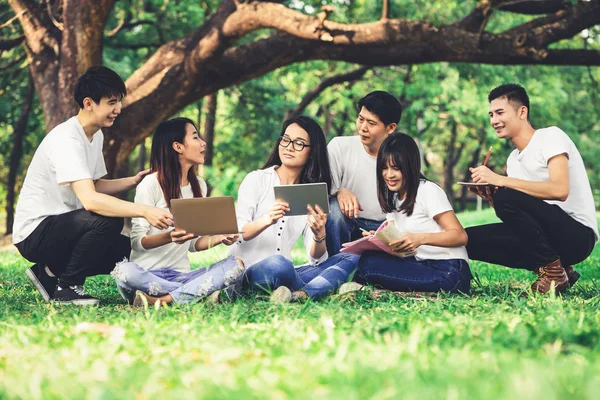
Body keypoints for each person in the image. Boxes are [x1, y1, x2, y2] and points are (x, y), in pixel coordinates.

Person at [13, 66, 173, 306]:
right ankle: (67, 288)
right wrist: (144, 210)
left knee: (123, 250)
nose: (118, 109)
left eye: (119, 101)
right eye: (111, 102)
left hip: (63, 227)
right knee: (108, 219)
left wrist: (133, 180)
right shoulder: (68, 139)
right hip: (36, 232)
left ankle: (48, 272)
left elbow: (94, 185)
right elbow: (91, 200)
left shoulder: (94, 135)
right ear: (88, 103)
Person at [466, 83, 598, 295]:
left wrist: (501, 181)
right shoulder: (513, 160)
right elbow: (523, 219)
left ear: (522, 111)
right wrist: (492, 196)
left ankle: (553, 273)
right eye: (491, 114)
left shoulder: (550, 137)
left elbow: (560, 190)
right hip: (548, 236)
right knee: (466, 239)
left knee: (506, 195)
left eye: (500, 112)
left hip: (577, 236)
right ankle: (562, 270)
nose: (494, 121)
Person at [222, 116, 358, 303]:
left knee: (351, 259)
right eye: (285, 139)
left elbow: (316, 259)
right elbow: (236, 233)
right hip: (249, 271)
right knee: (279, 263)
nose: (289, 147)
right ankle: (318, 287)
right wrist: (267, 219)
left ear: (312, 152)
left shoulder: (311, 193)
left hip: (287, 273)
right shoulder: (257, 179)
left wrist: (319, 234)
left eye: (299, 143)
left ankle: (298, 294)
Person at [111, 118, 245, 306]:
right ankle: (194, 293)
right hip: (146, 276)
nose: (203, 143)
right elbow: (137, 243)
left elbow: (192, 244)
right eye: (196, 137)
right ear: (178, 146)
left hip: (181, 276)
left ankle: (165, 299)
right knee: (124, 271)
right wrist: (169, 237)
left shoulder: (199, 185)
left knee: (235, 265)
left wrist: (220, 237)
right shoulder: (151, 183)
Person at [340, 133, 472, 295]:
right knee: (368, 259)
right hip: (419, 265)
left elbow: (460, 236)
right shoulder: (395, 198)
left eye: (396, 168)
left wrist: (419, 238)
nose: (389, 174)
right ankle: (378, 287)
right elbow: (401, 247)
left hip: (450, 271)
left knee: (369, 267)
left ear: (409, 166)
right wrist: (379, 238)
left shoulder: (427, 190)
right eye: (384, 168)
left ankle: (375, 288)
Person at [326, 91, 403, 256]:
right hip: (349, 224)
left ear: (390, 128)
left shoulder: (401, 156)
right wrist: (339, 191)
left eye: (371, 123)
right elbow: (319, 192)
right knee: (334, 210)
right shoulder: (339, 146)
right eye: (360, 119)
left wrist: (387, 230)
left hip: (385, 228)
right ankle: (335, 266)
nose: (363, 128)